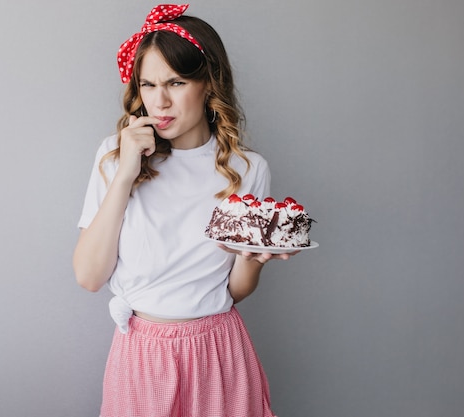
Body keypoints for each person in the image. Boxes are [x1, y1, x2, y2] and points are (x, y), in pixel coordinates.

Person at [73, 4, 298, 416]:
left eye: (175, 82)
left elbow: (233, 291)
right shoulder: (113, 155)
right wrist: (126, 173)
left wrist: (254, 260)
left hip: (219, 352)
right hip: (141, 354)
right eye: (147, 85)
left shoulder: (247, 170)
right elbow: (89, 277)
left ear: (209, 84)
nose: (159, 102)